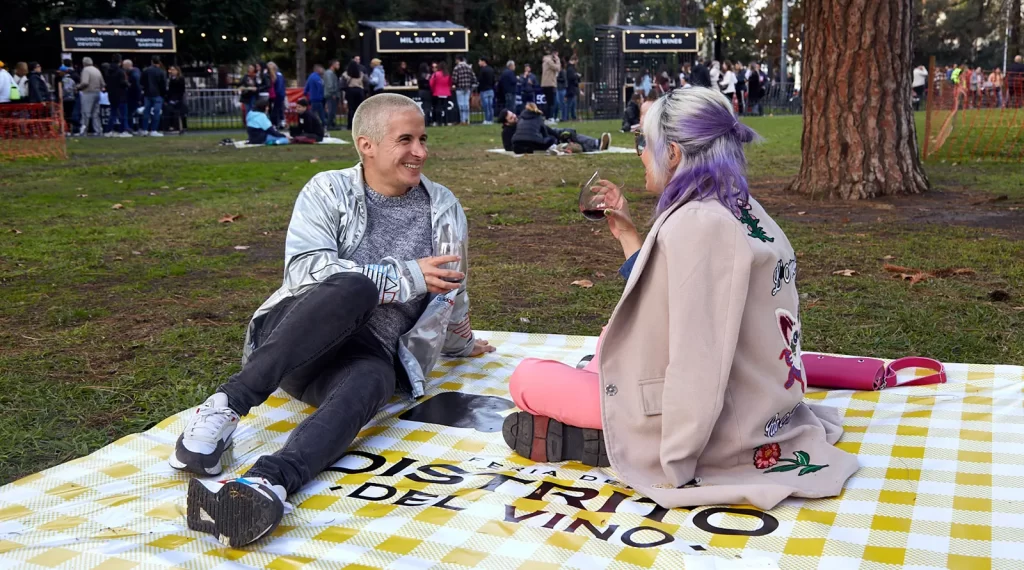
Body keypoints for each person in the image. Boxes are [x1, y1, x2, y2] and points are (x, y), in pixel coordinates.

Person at [502, 87, 859, 511]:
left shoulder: (696, 223)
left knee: (526, 378)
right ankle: (607, 429)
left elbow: (698, 358)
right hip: (761, 397)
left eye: (643, 143)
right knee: (603, 347)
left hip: (716, 418)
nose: (639, 154)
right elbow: (686, 300)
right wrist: (631, 238)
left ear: (672, 153)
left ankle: (608, 441)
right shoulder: (740, 207)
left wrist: (671, 460)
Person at [174, 93, 492, 546]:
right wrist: (404, 276)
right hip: (298, 339)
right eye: (406, 140)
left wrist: (463, 341)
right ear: (367, 145)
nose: (420, 151)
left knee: (377, 380)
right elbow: (303, 270)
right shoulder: (328, 189)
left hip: (362, 356)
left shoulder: (443, 206)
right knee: (355, 288)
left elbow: (453, 287)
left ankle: (268, 483)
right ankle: (228, 405)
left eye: (423, 138)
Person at [501, 102, 610, 155]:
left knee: (567, 133)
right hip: (540, 139)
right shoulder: (510, 131)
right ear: (506, 123)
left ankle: (596, 143)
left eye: (513, 114)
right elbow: (509, 147)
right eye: (511, 117)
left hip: (541, 136)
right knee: (566, 137)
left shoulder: (522, 120)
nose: (515, 116)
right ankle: (595, 144)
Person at [77, 57, 105, 136]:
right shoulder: (97, 70)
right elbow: (103, 83)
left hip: (88, 93)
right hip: (97, 93)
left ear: (84, 63)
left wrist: (78, 87)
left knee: (86, 113)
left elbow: (85, 82)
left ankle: (83, 131)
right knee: (96, 113)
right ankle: (98, 130)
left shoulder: (85, 70)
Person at [141, 56, 167, 136]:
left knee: (146, 112)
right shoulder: (161, 72)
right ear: (159, 62)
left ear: (152, 61)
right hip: (157, 94)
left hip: (147, 94)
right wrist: (163, 94)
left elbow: (141, 82)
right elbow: (163, 84)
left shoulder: (145, 71)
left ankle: (144, 130)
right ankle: (153, 130)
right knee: (156, 112)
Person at [105, 55, 130, 137]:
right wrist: (128, 84)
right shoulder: (120, 71)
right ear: (120, 61)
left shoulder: (108, 71)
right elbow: (123, 82)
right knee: (123, 114)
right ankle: (123, 131)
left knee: (113, 113)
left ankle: (108, 131)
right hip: (121, 95)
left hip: (111, 95)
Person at [343, 60, 366, 130]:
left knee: (351, 109)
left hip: (350, 91)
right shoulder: (361, 74)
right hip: (359, 91)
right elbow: (366, 82)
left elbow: (342, 84)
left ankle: (350, 125)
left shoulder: (346, 74)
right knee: (359, 109)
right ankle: (359, 125)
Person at [452, 56, 475, 125]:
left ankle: (462, 120)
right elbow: (473, 78)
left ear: (458, 60)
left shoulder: (457, 68)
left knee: (461, 104)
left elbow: (454, 79)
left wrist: (454, 84)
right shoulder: (469, 67)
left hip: (459, 88)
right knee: (466, 104)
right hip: (467, 88)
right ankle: (467, 120)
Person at [429, 61, 452, 126]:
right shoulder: (447, 74)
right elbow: (450, 83)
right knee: (445, 108)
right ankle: (446, 121)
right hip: (446, 93)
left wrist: (433, 90)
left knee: (437, 108)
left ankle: (439, 121)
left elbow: (431, 83)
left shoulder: (436, 74)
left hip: (437, 92)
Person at [166, 65, 188, 134]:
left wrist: (177, 99)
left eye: (173, 70)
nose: (172, 71)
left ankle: (183, 127)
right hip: (172, 98)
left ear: (177, 71)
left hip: (179, 98)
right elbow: (170, 90)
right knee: (171, 111)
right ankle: (173, 126)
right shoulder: (171, 79)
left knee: (182, 113)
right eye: (171, 70)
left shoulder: (180, 79)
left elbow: (181, 90)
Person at [541, 48, 561, 121]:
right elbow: (558, 68)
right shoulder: (549, 61)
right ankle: (550, 117)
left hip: (546, 84)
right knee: (551, 102)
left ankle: (548, 117)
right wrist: (558, 60)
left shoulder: (545, 60)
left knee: (549, 102)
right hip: (550, 83)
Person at [267, 62, 287, 128]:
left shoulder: (275, 75)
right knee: (279, 109)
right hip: (280, 94)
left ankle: (275, 123)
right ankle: (281, 122)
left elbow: (278, 85)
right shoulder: (279, 74)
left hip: (276, 95)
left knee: (275, 110)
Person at [59, 66, 78, 133]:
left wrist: (61, 95)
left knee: (66, 115)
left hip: (66, 100)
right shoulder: (72, 80)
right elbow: (75, 90)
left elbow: (66, 90)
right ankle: (70, 129)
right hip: (72, 99)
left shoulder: (64, 80)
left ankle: (67, 130)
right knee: (70, 114)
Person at [477, 57, 496, 124]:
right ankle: (491, 119)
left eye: (479, 61)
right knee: (490, 106)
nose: (478, 63)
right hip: (490, 90)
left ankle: (487, 119)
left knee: (486, 106)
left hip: (484, 90)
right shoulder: (491, 69)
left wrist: (479, 89)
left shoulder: (482, 70)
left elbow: (480, 80)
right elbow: (494, 80)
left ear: (483, 61)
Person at [324, 60, 340, 128]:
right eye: (337, 64)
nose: (338, 66)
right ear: (333, 65)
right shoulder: (329, 73)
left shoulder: (331, 73)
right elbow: (329, 84)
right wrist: (333, 93)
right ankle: (329, 125)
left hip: (332, 94)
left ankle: (332, 124)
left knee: (333, 110)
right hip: (331, 94)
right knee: (331, 110)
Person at [564, 57, 580, 121]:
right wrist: (577, 76)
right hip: (571, 88)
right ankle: (568, 116)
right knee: (570, 104)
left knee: (573, 104)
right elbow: (571, 78)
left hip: (572, 88)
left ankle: (573, 116)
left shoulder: (571, 68)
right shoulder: (570, 69)